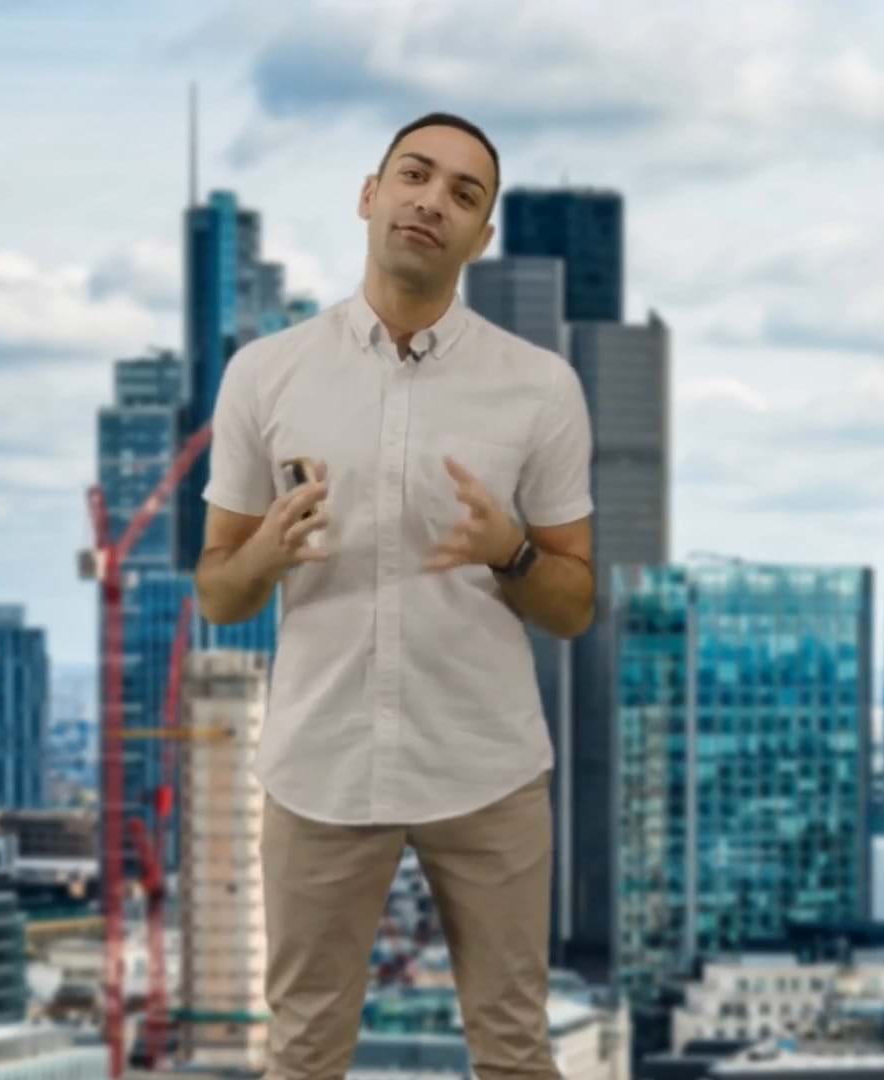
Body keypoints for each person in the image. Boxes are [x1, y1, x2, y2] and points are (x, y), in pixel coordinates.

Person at [193, 112, 593, 1080]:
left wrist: (510, 552)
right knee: (302, 1054)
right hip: (321, 766)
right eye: (414, 175)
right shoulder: (266, 374)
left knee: (515, 1050)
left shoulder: (540, 388)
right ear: (370, 195)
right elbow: (218, 594)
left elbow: (575, 604)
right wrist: (266, 553)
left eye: (463, 193)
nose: (432, 201)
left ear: (480, 238)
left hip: (487, 767)